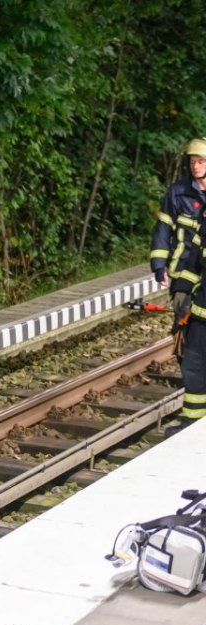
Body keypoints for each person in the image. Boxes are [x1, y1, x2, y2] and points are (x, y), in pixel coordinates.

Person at [150, 138, 206, 434]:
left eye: (201, 161)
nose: (195, 166)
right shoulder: (178, 193)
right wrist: (159, 266)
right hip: (184, 275)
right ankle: (195, 406)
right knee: (187, 341)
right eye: (192, 162)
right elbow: (163, 231)